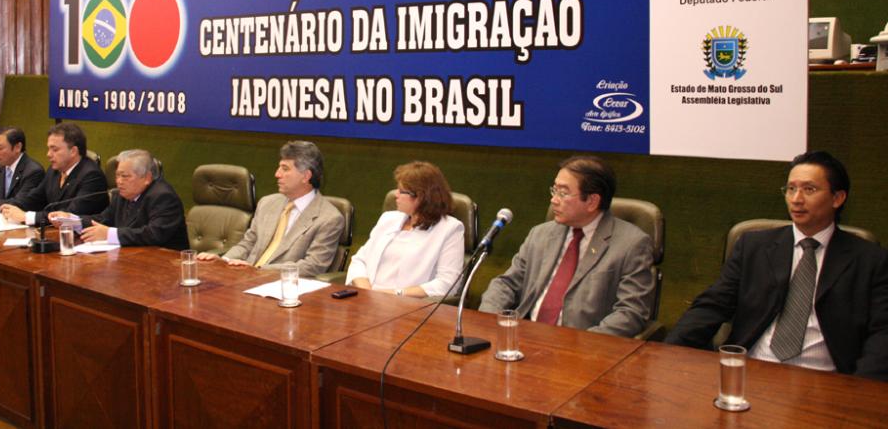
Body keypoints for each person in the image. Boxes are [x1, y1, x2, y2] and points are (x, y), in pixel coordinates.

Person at [666, 151, 888, 381]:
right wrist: (668, 353)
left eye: (809, 189)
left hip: (824, 379)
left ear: (837, 198)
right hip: (752, 369)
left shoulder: (870, 260)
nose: (796, 199)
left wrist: (860, 390)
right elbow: (712, 305)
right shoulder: (754, 246)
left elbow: (882, 334)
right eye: (791, 189)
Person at [479, 156, 655, 337]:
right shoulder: (540, 234)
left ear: (592, 201)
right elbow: (506, 284)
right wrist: (490, 319)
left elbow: (630, 312)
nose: (554, 200)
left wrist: (582, 343)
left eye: (563, 193)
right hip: (523, 336)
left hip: (582, 344)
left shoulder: (631, 244)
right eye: (554, 190)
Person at [196, 141, 344, 277]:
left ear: (306, 176)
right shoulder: (267, 203)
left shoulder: (329, 218)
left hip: (282, 285)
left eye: (285, 169)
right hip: (244, 278)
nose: (277, 174)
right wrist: (224, 260)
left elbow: (312, 266)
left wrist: (258, 270)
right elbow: (248, 243)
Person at [346, 161, 465, 298]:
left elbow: (447, 284)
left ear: (421, 197)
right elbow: (360, 260)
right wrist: (367, 290)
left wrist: (395, 293)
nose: (395, 195)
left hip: (407, 303)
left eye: (401, 191)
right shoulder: (388, 218)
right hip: (367, 297)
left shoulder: (450, 229)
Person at [50, 149, 189, 250]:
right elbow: (104, 219)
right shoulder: (122, 194)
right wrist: (73, 221)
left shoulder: (163, 197)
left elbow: (154, 234)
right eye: (117, 176)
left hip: (165, 264)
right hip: (132, 258)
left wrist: (109, 234)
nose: (119, 181)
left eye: (125, 176)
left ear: (147, 178)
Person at [0, 122, 108, 226]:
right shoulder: (54, 170)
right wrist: (5, 209)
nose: (48, 154)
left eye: (54, 150)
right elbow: (34, 198)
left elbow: (68, 216)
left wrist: (27, 217)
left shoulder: (92, 176)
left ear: (73, 151)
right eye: (49, 149)